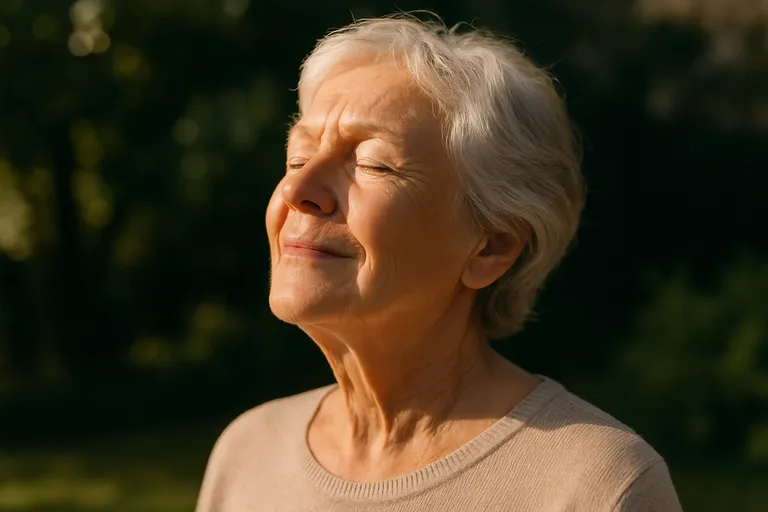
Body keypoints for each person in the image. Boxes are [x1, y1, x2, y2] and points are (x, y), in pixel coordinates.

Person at [196, 14, 682, 512]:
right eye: (297, 159)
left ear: (490, 247)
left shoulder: (600, 487)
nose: (297, 191)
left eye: (372, 163)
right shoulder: (248, 452)